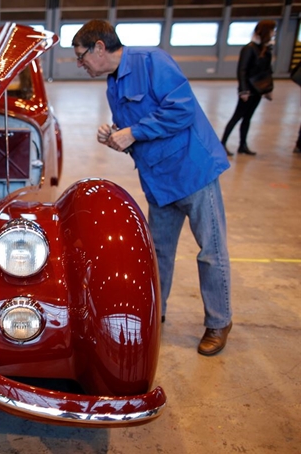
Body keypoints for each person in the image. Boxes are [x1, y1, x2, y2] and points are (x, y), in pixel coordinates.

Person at [72, 19, 233, 355]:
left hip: (192, 170)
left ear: (99, 47)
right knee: (158, 254)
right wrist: (116, 138)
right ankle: (152, 316)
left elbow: (182, 110)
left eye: (81, 56)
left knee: (210, 252)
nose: (81, 64)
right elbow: (135, 133)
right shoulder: (113, 85)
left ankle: (218, 322)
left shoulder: (151, 61)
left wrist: (132, 133)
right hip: (158, 181)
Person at [220, 20, 276, 156]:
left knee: (248, 118)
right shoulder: (249, 49)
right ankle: (222, 144)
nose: (274, 33)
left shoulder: (266, 49)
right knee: (236, 117)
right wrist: (243, 90)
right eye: (272, 30)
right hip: (248, 90)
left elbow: (267, 71)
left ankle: (242, 145)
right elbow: (242, 71)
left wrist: (268, 89)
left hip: (258, 90)